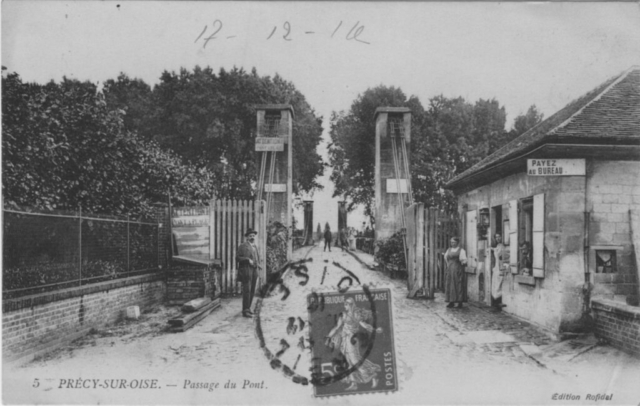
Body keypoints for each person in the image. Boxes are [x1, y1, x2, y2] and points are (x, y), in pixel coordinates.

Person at [324, 298, 382, 391]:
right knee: (349, 362)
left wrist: (375, 330)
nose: (345, 306)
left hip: (352, 340)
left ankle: (373, 376)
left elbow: (364, 325)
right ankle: (354, 383)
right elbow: (336, 327)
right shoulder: (343, 315)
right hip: (344, 340)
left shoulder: (356, 314)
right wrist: (328, 337)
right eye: (344, 304)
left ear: (351, 305)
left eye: (346, 304)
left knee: (355, 361)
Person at [236, 228, 261, 318]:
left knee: (252, 290)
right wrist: (247, 260)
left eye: (253, 236)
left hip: (254, 270)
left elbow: (256, 258)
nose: (252, 237)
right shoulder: (243, 246)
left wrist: (258, 265)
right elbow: (238, 258)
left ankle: (248, 308)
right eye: (250, 236)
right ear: (247, 237)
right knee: (247, 290)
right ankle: (245, 310)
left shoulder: (255, 246)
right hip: (246, 270)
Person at [444, 237, 468, 308]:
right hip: (450, 269)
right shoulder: (449, 250)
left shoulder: (461, 250)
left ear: (457, 243)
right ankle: (451, 301)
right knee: (450, 284)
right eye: (451, 242)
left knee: (458, 284)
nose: (452, 244)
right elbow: (446, 258)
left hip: (458, 268)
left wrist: (461, 264)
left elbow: (464, 260)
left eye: (454, 242)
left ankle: (460, 301)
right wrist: (449, 265)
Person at [489, 233, 507, 310]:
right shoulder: (498, 246)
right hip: (497, 267)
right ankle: (495, 303)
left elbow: (504, 256)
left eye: (499, 236)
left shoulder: (503, 246)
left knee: (499, 284)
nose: (498, 238)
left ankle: (498, 303)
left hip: (501, 267)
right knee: (495, 284)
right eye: (496, 237)